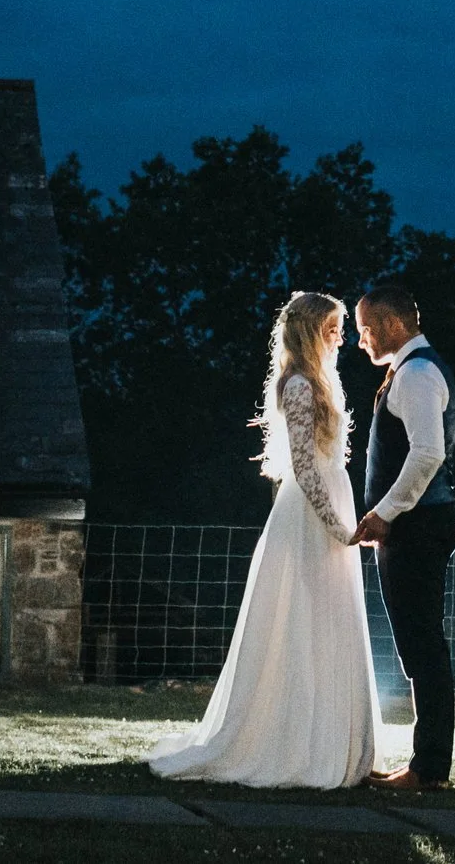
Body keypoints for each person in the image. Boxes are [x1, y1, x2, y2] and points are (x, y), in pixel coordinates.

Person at [146, 291, 381, 787]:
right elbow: (302, 464)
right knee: (300, 622)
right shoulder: (297, 384)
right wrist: (338, 527)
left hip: (332, 501)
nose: (341, 336)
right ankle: (295, 743)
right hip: (309, 517)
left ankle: (338, 742)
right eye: (333, 328)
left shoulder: (321, 380)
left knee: (331, 622)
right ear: (313, 330)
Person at [350, 282, 455, 790]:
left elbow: (427, 454)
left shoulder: (417, 373)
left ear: (393, 325)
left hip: (416, 527)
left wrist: (386, 513)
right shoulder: (412, 369)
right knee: (418, 646)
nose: (362, 341)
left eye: (366, 330)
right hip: (412, 527)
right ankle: (424, 765)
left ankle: (428, 770)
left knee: (423, 646)